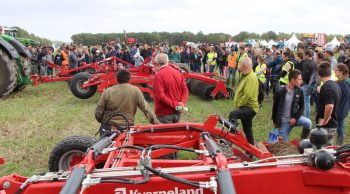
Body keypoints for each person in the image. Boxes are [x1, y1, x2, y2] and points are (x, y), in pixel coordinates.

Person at [95, 69, 159, 136]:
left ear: (117, 79)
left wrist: (102, 121)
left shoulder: (108, 91)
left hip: (109, 127)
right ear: (129, 79)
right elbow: (146, 110)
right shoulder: (135, 91)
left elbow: (99, 111)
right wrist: (157, 124)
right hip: (127, 128)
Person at [272, 70, 311, 141]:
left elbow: (302, 107)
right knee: (284, 145)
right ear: (292, 80)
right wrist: (275, 122)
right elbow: (275, 108)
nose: (301, 81)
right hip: (284, 122)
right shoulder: (279, 92)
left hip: (294, 118)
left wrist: (295, 118)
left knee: (308, 122)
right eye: (299, 79)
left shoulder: (299, 91)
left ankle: (303, 141)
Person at [229, 57, 259, 145]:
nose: (238, 67)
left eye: (240, 66)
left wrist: (239, 104)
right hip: (246, 106)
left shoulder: (251, 77)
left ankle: (230, 137)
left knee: (233, 114)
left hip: (249, 107)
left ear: (244, 66)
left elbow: (247, 95)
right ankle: (250, 151)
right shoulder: (246, 76)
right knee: (247, 129)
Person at [153, 53, 189, 124]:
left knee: (166, 134)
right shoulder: (178, 72)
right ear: (168, 61)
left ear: (156, 63)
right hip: (177, 111)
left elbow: (161, 96)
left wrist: (176, 104)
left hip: (164, 112)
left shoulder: (159, 75)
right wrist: (182, 103)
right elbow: (185, 91)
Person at [316, 61, 342, 145]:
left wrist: (325, 121)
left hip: (327, 126)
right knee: (326, 150)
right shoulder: (335, 85)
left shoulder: (326, 87)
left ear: (319, 74)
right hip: (333, 123)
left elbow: (330, 106)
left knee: (322, 151)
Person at [334, 63, 350, 145]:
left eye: (336, 70)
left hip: (338, 110)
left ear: (341, 72)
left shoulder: (340, 84)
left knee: (336, 127)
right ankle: (339, 144)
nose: (334, 71)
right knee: (340, 126)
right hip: (345, 109)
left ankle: (337, 145)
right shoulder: (347, 81)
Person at [301, 49, 317, 119]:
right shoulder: (314, 62)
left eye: (304, 55)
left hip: (306, 84)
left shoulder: (306, 64)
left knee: (306, 102)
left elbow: (305, 75)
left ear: (307, 55)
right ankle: (306, 116)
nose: (303, 56)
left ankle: (306, 117)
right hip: (312, 84)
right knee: (307, 101)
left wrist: (302, 81)